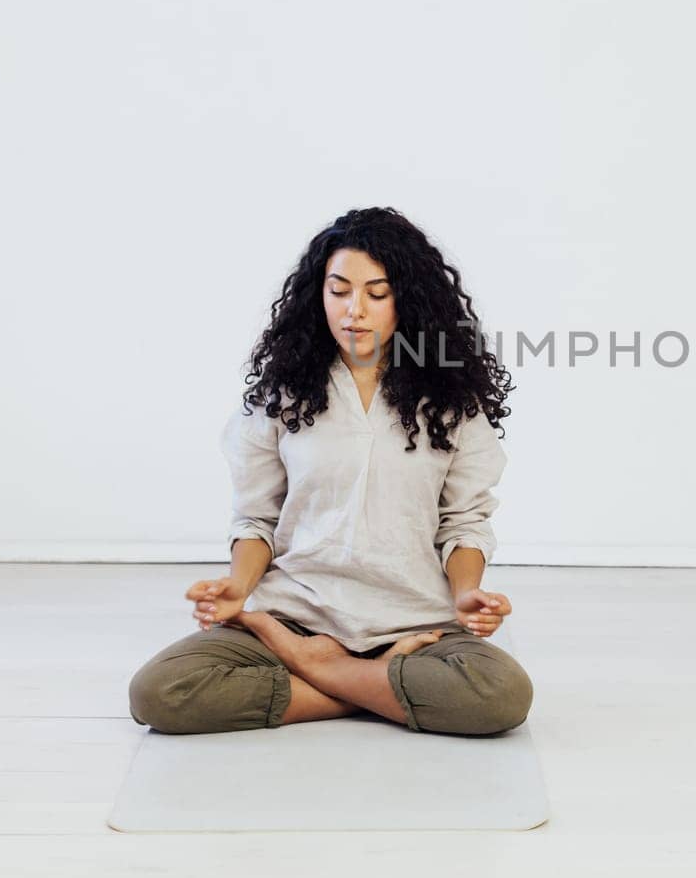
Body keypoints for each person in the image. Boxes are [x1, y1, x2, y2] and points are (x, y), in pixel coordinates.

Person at [127, 207, 532, 736]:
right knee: (160, 692)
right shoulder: (282, 397)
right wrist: (237, 585)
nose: (354, 311)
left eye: (376, 294)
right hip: (293, 615)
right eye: (339, 290)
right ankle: (378, 688)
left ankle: (323, 670)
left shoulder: (453, 402)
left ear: (407, 300)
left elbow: (464, 523)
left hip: (413, 623)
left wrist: (464, 597)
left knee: (500, 696)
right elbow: (256, 519)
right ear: (317, 294)